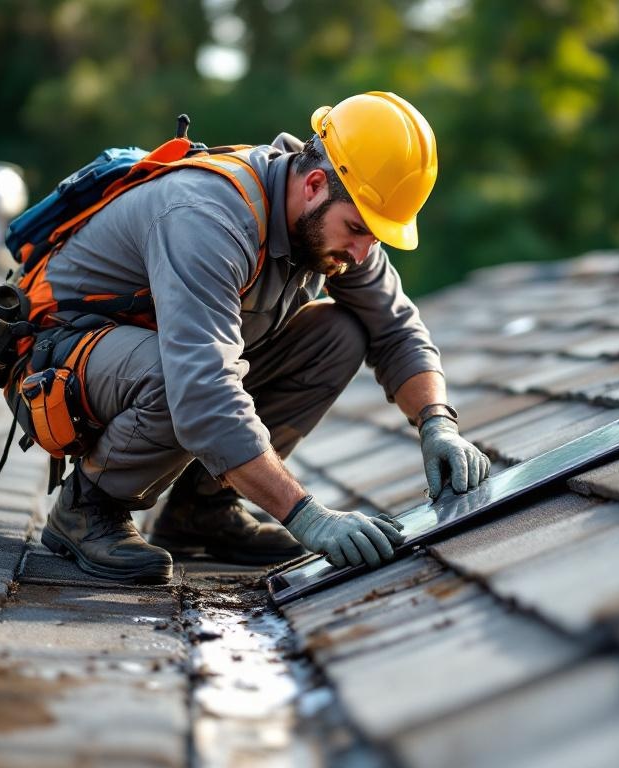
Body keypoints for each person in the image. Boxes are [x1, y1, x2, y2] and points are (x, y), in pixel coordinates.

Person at [33, 91, 491, 584]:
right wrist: (305, 515)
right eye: (357, 229)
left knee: (340, 332)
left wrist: (436, 423)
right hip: (60, 360)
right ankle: (88, 508)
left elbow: (396, 327)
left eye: (375, 237)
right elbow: (203, 389)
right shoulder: (210, 218)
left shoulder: (331, 222)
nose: (361, 252)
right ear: (315, 184)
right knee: (179, 376)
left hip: (152, 362)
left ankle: (203, 512)